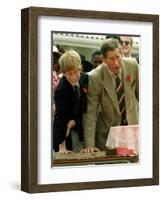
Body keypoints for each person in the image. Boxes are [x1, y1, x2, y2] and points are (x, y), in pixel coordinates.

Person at [82, 38, 139, 153]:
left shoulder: (132, 65)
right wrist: (89, 145)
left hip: (132, 131)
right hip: (109, 135)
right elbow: (90, 113)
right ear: (104, 59)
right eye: (111, 59)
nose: (116, 63)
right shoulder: (95, 77)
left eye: (118, 57)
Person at [53, 50, 88, 153]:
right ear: (63, 73)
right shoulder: (61, 90)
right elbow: (60, 117)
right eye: (69, 74)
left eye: (76, 72)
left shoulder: (84, 79)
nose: (73, 77)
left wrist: (75, 122)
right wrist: (62, 146)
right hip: (64, 132)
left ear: (80, 68)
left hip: (78, 127)